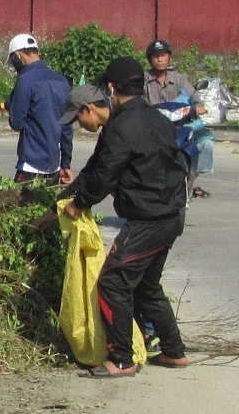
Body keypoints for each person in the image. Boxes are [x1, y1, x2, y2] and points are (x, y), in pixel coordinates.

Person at [60, 57, 190, 377]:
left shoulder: (121, 126)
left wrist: (80, 204)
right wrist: (66, 197)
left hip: (148, 221)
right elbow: (97, 168)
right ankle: (174, 352)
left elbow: (105, 174)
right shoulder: (156, 119)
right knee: (147, 286)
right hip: (171, 215)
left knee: (113, 283)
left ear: (112, 89)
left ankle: (121, 359)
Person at [143, 39, 213, 198]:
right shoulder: (144, 80)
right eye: (156, 56)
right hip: (154, 126)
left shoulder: (178, 78)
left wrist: (198, 106)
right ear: (150, 59)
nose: (160, 59)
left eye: (163, 55)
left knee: (205, 143)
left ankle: (193, 180)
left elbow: (194, 95)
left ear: (168, 57)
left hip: (181, 124)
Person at [5, 33, 73, 184]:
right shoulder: (61, 80)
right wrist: (66, 163)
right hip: (54, 166)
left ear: (17, 55)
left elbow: (16, 123)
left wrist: (11, 102)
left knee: (21, 206)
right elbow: (67, 128)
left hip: (31, 164)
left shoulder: (25, 79)